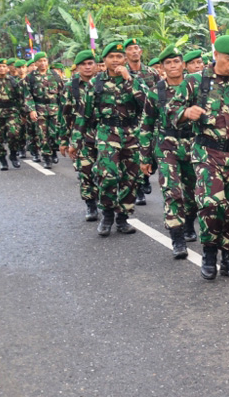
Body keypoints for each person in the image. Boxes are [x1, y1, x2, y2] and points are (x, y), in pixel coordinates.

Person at [168, 35, 229, 280]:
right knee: (210, 206)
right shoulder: (195, 81)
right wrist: (185, 112)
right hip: (207, 154)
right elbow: (170, 112)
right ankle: (209, 255)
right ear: (216, 55)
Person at [68, 41, 155, 237]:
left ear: (124, 59)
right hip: (107, 132)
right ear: (104, 61)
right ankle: (107, 213)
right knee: (108, 174)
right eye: (111, 57)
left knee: (131, 178)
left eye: (118, 57)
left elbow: (147, 105)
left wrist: (129, 80)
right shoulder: (95, 83)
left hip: (132, 132)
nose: (115, 60)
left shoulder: (135, 80)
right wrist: (75, 141)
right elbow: (84, 114)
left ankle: (123, 217)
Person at [142, 47, 198, 258]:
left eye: (176, 61)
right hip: (167, 147)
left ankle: (189, 224)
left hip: (193, 145)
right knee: (172, 192)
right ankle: (177, 238)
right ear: (162, 67)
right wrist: (145, 156)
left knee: (193, 193)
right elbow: (146, 124)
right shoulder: (156, 92)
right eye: (168, 63)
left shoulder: (195, 87)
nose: (173, 66)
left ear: (183, 64)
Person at [59, 50, 101, 221]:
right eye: (83, 64)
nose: (87, 67)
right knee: (86, 171)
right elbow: (65, 115)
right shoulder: (71, 86)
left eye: (90, 63)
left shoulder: (103, 83)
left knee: (107, 171)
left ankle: (109, 204)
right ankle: (91, 204)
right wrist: (64, 140)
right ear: (77, 68)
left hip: (105, 133)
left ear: (96, 65)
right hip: (81, 134)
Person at [123, 38, 159, 205]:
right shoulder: (121, 74)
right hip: (131, 121)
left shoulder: (152, 73)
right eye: (131, 49)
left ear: (141, 52)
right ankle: (138, 189)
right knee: (135, 154)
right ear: (126, 54)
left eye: (137, 48)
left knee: (152, 154)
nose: (135, 51)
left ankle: (145, 177)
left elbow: (161, 93)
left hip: (150, 120)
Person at [24, 52, 65, 169]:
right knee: (42, 134)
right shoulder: (30, 77)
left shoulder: (55, 75)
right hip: (39, 109)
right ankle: (46, 157)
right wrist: (31, 110)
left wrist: (64, 109)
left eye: (45, 60)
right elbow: (28, 95)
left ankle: (54, 151)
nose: (43, 63)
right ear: (36, 63)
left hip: (54, 109)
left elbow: (62, 93)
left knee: (55, 133)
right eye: (40, 61)